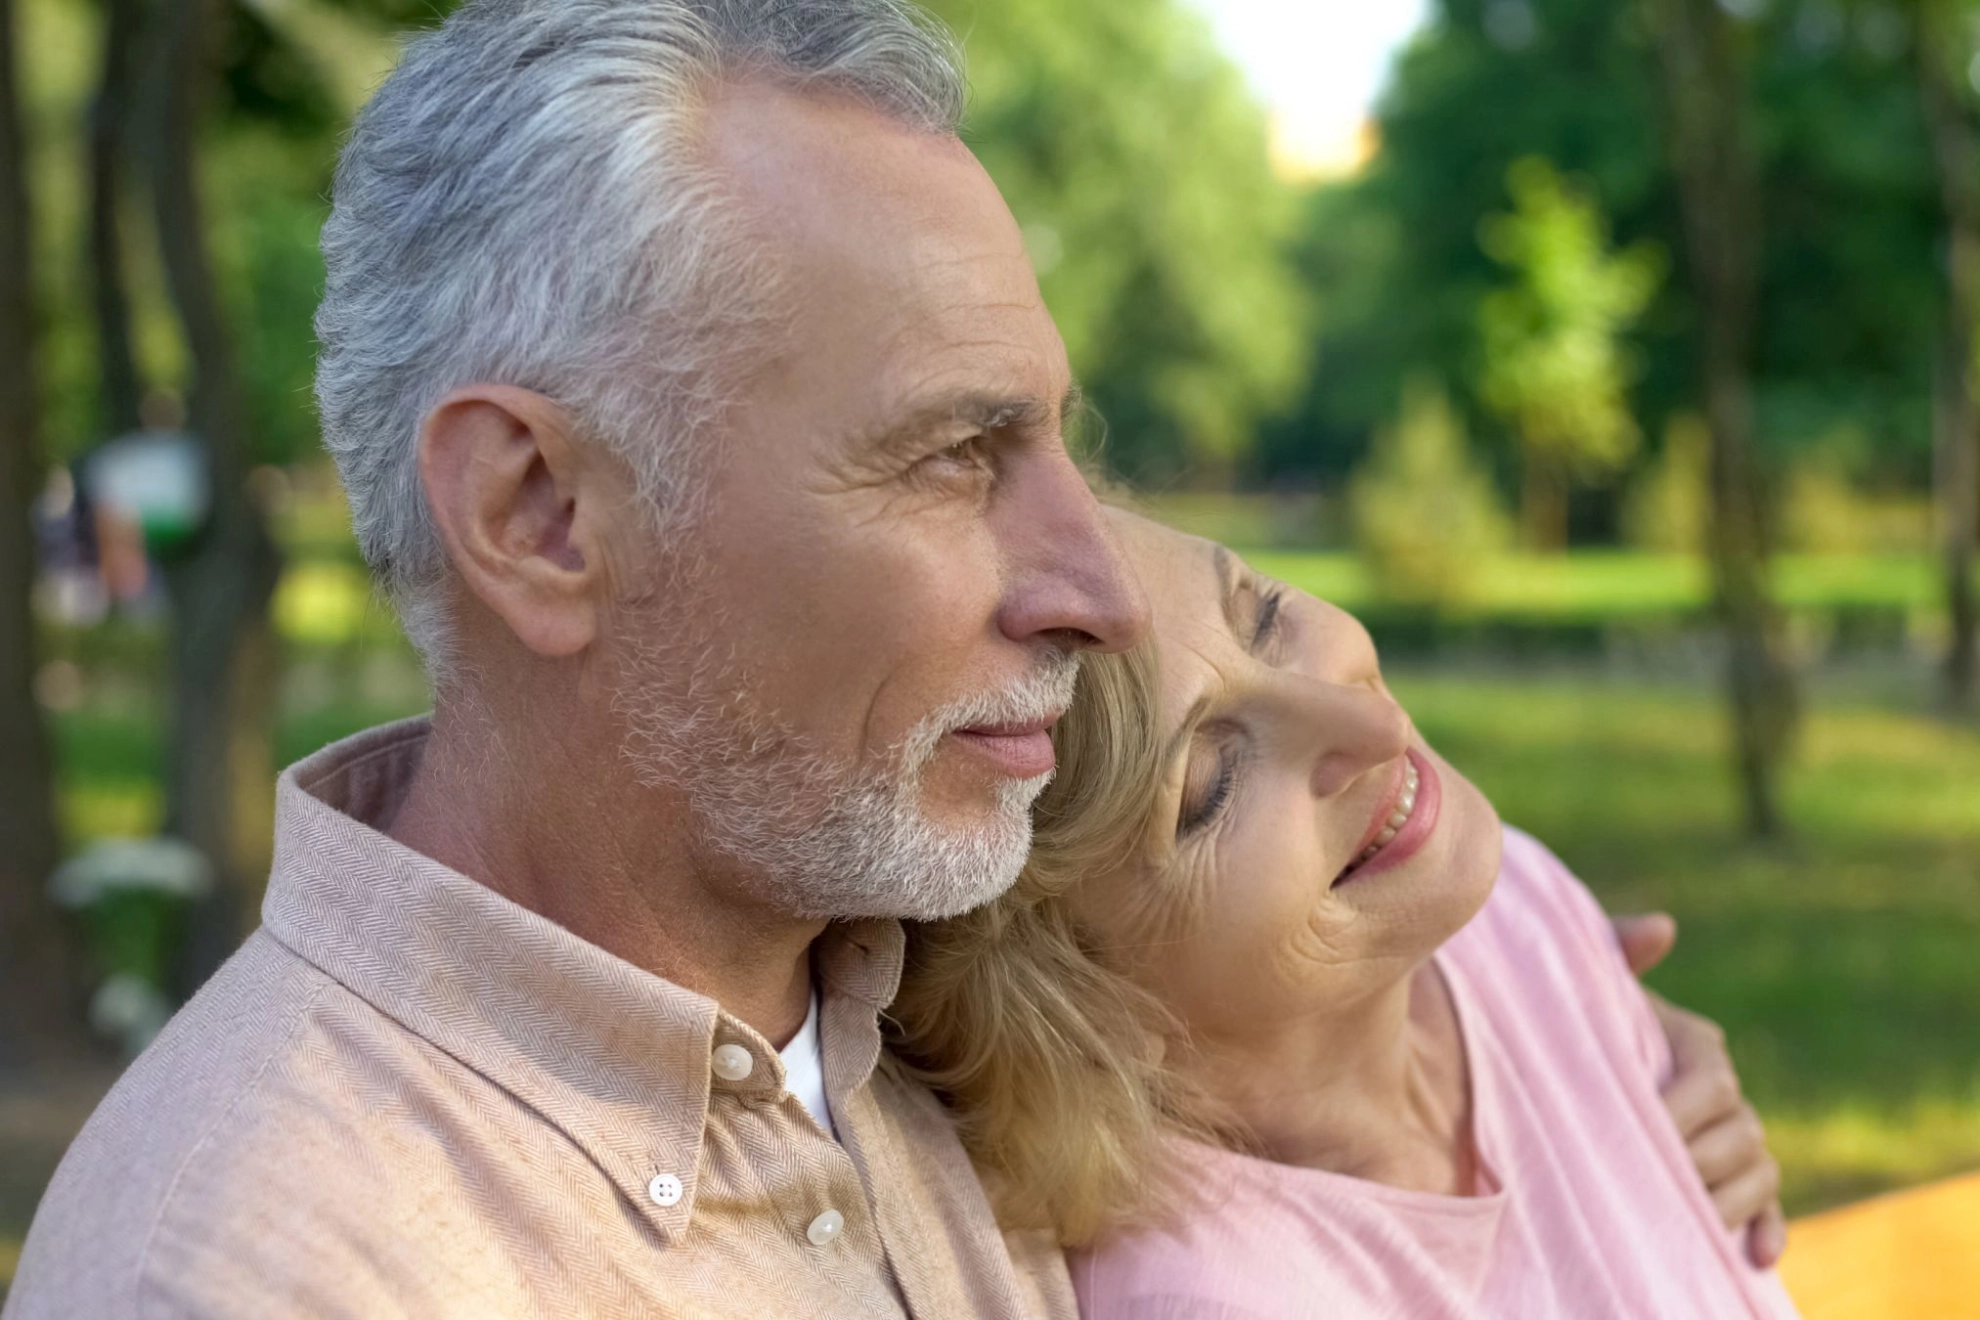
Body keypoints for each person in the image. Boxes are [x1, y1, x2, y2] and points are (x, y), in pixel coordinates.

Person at [7, 3, 1776, 1317]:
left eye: (1064, 445)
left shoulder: (914, 1000)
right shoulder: (273, 1267)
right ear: (540, 513)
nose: (1093, 582)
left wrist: (1588, 1086)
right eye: (954, 457)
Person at [893, 509, 1798, 1319]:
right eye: (1210, 790)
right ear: (1088, 1018)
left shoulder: (1513, 910)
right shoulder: (1223, 1300)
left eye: (1268, 616)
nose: (1370, 727)